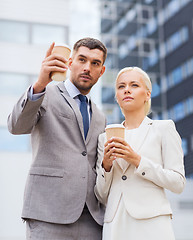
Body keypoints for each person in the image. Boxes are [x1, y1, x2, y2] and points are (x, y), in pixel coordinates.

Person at [7, 37, 107, 240]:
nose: (87, 67)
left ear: (101, 71)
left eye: (95, 63)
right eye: (82, 59)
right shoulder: (44, 94)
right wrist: (40, 83)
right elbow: (16, 126)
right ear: (70, 62)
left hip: (91, 219)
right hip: (48, 213)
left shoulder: (100, 116)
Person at [94, 66, 186, 240]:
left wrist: (137, 160)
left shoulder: (163, 129)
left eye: (134, 85)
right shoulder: (104, 138)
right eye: (121, 86)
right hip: (115, 224)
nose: (126, 89)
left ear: (148, 94)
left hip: (152, 222)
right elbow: (101, 194)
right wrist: (106, 165)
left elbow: (178, 183)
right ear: (117, 97)